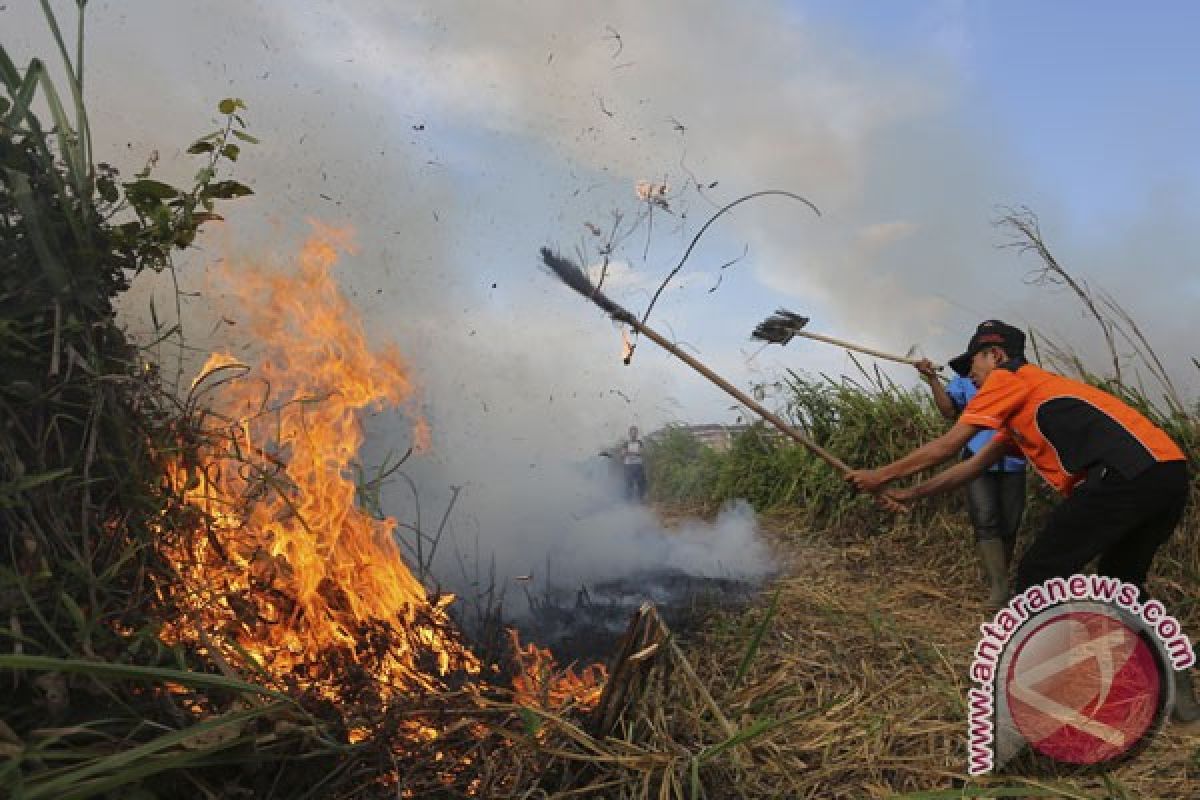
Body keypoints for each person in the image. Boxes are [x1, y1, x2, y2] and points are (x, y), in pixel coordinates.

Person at [847, 319, 1198, 723]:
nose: (970, 375)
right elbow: (971, 465)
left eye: (973, 364)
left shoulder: (1010, 377)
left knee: (1039, 574)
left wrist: (880, 475)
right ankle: (1175, 679)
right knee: (1121, 583)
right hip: (1165, 473)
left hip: (1126, 473)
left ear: (995, 355)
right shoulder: (1027, 400)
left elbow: (949, 444)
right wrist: (909, 493)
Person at [915, 357, 1027, 607]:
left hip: (1013, 461)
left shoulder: (1017, 380)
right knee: (985, 519)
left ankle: (1001, 578)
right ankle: (999, 588)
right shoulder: (966, 380)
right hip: (976, 459)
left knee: (1010, 522)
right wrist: (932, 379)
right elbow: (948, 411)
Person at [622, 425, 647, 502]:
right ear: (629, 434)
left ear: (637, 434)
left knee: (641, 483)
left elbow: (642, 452)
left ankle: (641, 499)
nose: (633, 434)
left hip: (638, 465)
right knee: (629, 484)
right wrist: (635, 453)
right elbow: (623, 454)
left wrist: (629, 452)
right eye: (632, 433)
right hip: (628, 466)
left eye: (635, 433)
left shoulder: (640, 443)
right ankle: (628, 501)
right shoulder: (626, 443)